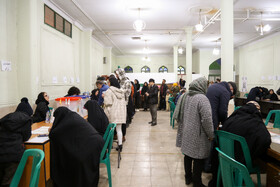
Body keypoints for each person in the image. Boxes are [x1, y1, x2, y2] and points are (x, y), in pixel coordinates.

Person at [49, 107, 104, 187]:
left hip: (92, 148)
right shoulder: (72, 117)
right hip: (97, 144)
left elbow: (54, 134)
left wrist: (52, 130)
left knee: (73, 159)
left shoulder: (66, 122)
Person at [176, 77, 214, 187]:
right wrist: (211, 134)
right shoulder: (202, 98)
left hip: (187, 131)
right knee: (198, 158)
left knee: (187, 155)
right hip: (198, 134)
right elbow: (206, 119)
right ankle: (197, 182)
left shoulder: (186, 95)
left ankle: (188, 178)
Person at [206, 81, 237, 187]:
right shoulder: (225, 92)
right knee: (212, 143)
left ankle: (205, 165)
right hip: (212, 120)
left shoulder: (214, 86)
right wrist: (226, 124)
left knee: (207, 142)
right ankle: (208, 166)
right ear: (232, 92)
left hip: (206, 118)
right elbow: (223, 111)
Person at [0, 98, 33, 187]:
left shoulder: (6, 117)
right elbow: (26, 136)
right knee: (9, 182)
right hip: (13, 154)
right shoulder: (26, 119)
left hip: (1, 151)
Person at [103, 77, 127, 151]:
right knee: (119, 130)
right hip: (120, 113)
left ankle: (109, 146)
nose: (108, 83)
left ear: (111, 83)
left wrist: (104, 97)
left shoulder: (109, 91)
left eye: (108, 82)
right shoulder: (120, 91)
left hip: (113, 112)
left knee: (111, 130)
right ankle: (120, 145)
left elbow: (108, 103)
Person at [114, 68, 131, 141]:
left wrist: (117, 91)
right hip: (117, 103)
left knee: (123, 120)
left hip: (124, 103)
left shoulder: (127, 82)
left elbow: (127, 93)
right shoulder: (119, 82)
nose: (116, 76)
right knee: (116, 119)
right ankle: (117, 134)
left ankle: (123, 135)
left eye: (117, 74)